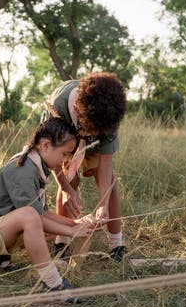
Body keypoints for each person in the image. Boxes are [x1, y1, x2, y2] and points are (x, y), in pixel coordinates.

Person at [0, 117, 95, 302]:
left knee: (39, 221)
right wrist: (71, 231)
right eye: (65, 154)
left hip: (0, 227)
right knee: (30, 216)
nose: (66, 160)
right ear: (45, 145)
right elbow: (34, 217)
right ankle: (52, 284)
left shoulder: (36, 166)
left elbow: (43, 215)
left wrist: (76, 223)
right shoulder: (24, 170)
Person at [47, 72, 128, 262]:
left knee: (111, 184)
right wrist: (66, 189)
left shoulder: (109, 115)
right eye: (92, 128)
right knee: (69, 180)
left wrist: (103, 205)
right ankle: (62, 241)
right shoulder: (58, 107)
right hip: (66, 144)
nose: (96, 132)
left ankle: (116, 245)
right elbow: (53, 159)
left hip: (94, 148)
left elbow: (106, 162)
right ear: (77, 109)